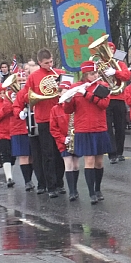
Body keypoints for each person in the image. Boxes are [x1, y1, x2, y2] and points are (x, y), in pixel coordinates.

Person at [18, 49, 66, 197]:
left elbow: (69, 90)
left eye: (51, 61)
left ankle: (60, 183)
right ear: (39, 63)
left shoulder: (59, 73)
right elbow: (25, 96)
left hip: (59, 116)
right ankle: (50, 186)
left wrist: (61, 89)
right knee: (48, 153)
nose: (50, 65)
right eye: (46, 63)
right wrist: (36, 97)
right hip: (43, 118)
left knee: (60, 152)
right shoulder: (34, 77)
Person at [63, 61, 112, 204]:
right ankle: (91, 193)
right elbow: (68, 110)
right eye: (91, 73)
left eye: (95, 73)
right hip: (84, 129)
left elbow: (104, 104)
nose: (94, 75)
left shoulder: (102, 86)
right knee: (89, 160)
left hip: (99, 127)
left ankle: (98, 188)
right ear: (84, 74)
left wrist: (86, 94)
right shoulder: (75, 87)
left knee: (99, 161)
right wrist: (68, 99)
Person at [50, 79, 80, 201]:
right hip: (63, 141)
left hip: (76, 138)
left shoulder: (75, 106)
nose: (68, 94)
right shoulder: (55, 109)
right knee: (68, 164)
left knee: (76, 165)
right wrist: (63, 139)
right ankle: (72, 191)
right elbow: (53, 128)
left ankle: (75, 188)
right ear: (59, 93)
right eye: (65, 91)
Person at [103, 41, 131, 164]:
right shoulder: (101, 64)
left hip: (119, 98)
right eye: (107, 49)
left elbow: (127, 76)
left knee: (120, 127)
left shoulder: (120, 63)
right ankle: (112, 154)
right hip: (107, 98)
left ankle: (120, 152)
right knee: (108, 128)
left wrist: (115, 72)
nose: (109, 51)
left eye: (111, 49)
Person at [10, 72, 36, 191]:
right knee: (24, 155)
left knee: (32, 155)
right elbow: (12, 108)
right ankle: (27, 181)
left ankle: (31, 179)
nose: (21, 82)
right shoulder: (10, 94)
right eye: (19, 80)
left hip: (31, 126)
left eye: (23, 80)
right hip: (19, 127)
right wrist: (19, 112)